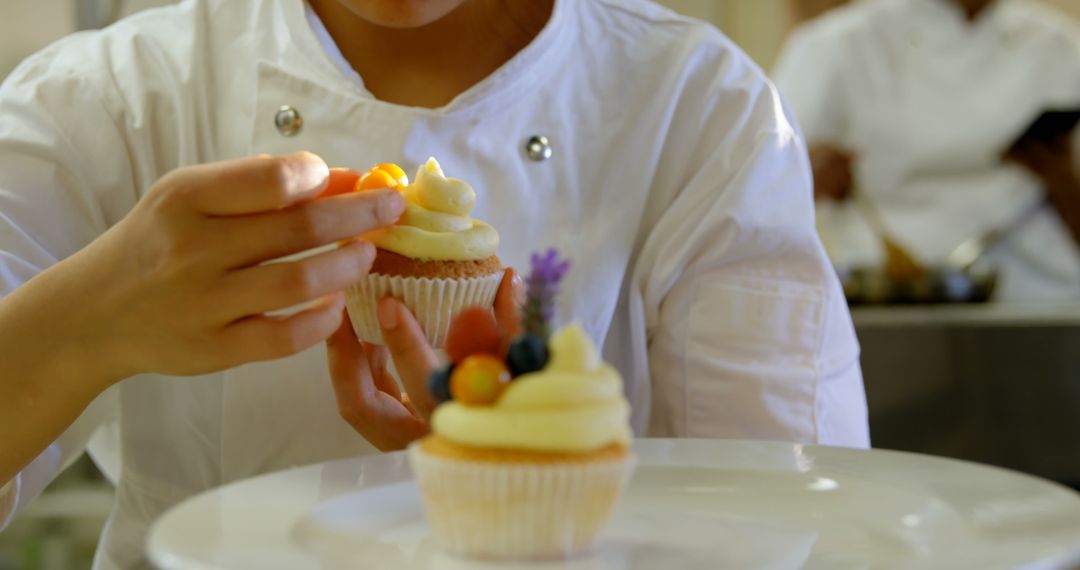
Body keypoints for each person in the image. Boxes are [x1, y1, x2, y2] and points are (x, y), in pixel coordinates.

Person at [0, 0, 869, 566]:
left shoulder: (700, 107)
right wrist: (79, 329)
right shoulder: (108, 100)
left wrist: (530, 497)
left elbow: (794, 526)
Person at [773, 0, 1080, 301]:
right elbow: (764, 185)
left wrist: (1063, 179)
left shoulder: (1062, 48)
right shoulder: (837, 45)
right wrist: (807, 172)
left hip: (1039, 295)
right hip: (890, 295)